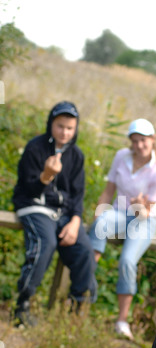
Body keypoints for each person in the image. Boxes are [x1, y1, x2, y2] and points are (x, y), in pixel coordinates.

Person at [12, 101, 97, 326]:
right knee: (46, 243)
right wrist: (46, 176)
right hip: (34, 205)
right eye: (60, 126)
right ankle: (22, 304)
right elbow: (27, 188)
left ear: (75, 129)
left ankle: (76, 308)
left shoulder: (76, 155)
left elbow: (78, 195)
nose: (64, 132)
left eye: (70, 128)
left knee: (84, 250)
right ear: (51, 124)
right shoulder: (35, 148)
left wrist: (76, 221)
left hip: (64, 214)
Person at [89, 119, 156, 340]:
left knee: (127, 261)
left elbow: (146, 212)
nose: (139, 145)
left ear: (152, 140)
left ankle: (122, 321)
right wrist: (98, 215)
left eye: (143, 140)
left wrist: (138, 206)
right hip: (117, 212)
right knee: (99, 225)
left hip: (143, 219)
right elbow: (108, 191)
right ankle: (86, 281)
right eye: (134, 141)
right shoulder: (120, 157)